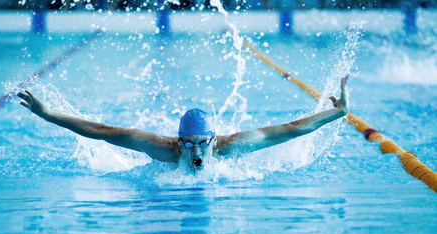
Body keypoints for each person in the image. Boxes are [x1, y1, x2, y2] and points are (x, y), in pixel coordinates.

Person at [18, 76, 350, 172]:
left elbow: (292, 129)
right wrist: (49, 115)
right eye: (188, 144)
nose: (195, 153)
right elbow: (104, 132)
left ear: (213, 139)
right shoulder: (162, 149)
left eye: (201, 143)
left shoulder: (230, 146)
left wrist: (336, 112)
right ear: (177, 142)